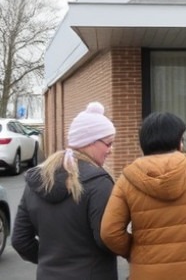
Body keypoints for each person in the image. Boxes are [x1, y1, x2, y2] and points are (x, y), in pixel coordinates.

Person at [101, 112, 186, 279]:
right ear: (179, 141)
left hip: (148, 272)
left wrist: (134, 250)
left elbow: (110, 232)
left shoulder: (128, 179)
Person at [13, 102, 118, 279]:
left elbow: (20, 240)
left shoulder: (37, 180)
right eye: (108, 144)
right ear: (89, 142)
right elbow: (106, 240)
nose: (111, 150)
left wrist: (51, 262)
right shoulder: (99, 183)